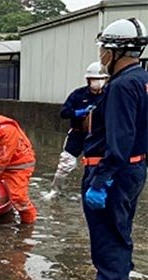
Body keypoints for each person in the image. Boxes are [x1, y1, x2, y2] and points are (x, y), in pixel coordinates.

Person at [70, 18, 148, 280]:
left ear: (115, 51)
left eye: (104, 47)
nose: (101, 53)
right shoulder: (141, 79)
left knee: (108, 235)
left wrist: (102, 179)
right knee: (120, 229)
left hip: (113, 171)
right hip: (132, 169)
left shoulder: (121, 86)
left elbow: (120, 138)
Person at [44, 62, 108, 200]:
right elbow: (64, 112)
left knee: (97, 164)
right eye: (94, 79)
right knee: (66, 164)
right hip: (78, 133)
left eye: (101, 79)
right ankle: (55, 190)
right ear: (88, 80)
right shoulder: (78, 94)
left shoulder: (109, 95)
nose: (98, 82)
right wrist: (77, 113)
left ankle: (94, 191)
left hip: (99, 136)